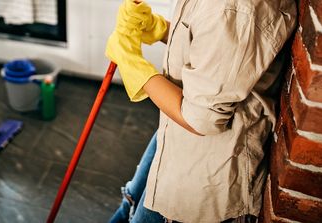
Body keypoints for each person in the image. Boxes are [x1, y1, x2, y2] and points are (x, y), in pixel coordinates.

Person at [106, 0, 297, 222]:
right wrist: (157, 28)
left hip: (204, 165)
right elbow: (211, 44)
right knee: (129, 202)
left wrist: (131, 64)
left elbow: (201, 119)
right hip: (176, 131)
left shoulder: (234, 8)